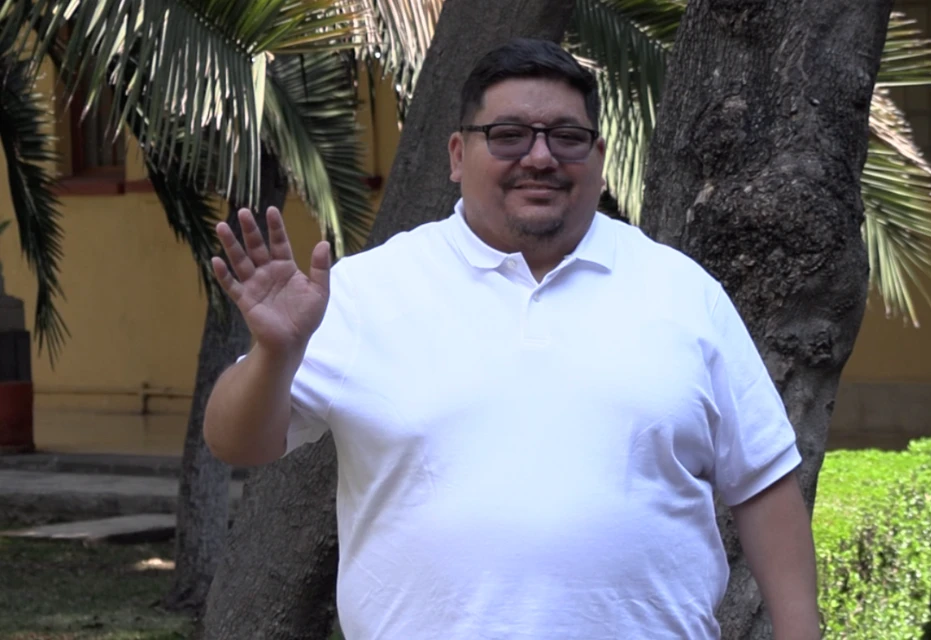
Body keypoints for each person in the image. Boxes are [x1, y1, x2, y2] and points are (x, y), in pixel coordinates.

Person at [204, 38, 821, 640]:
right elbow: (237, 442)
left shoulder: (683, 292)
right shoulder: (366, 292)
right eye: (508, 135)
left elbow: (762, 482)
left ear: (598, 155)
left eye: (567, 136)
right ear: (457, 154)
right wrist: (275, 354)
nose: (540, 157)